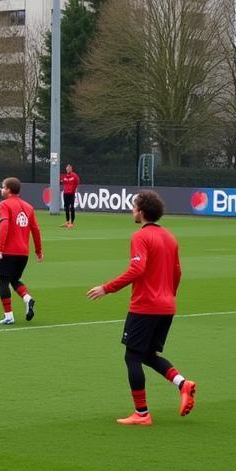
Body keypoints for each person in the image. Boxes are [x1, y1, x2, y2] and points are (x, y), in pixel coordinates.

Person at [86, 189, 196, 426]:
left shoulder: (141, 236)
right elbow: (177, 273)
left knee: (132, 357)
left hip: (146, 306)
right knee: (147, 355)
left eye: (134, 206)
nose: (131, 210)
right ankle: (182, 383)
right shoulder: (170, 237)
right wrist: (168, 295)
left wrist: (107, 288)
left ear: (142, 211)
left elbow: (137, 269)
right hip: (167, 306)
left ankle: (142, 413)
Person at [0, 177, 42, 324]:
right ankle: (28, 299)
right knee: (14, 279)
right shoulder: (28, 207)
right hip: (23, 253)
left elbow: (4, 226)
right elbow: (36, 230)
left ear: (8, 190)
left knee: (3, 281)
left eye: (3, 187)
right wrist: (38, 251)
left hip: (8, 251)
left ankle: (8, 316)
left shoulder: (4, 204)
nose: (1, 189)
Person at [60, 163, 80, 228]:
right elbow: (62, 182)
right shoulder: (64, 176)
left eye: (69, 168)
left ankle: (72, 223)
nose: (67, 169)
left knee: (72, 207)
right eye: (67, 168)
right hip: (65, 193)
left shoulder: (74, 175)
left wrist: (73, 189)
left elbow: (77, 182)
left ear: (71, 169)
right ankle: (67, 222)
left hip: (71, 193)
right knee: (66, 207)